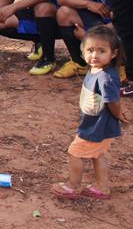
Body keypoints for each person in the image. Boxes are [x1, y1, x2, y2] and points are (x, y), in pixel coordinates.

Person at [51, 26, 128, 200]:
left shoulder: (106, 77)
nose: (95, 55)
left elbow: (113, 101)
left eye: (102, 51)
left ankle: (72, 186)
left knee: (75, 152)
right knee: (96, 154)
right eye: (90, 50)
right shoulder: (96, 70)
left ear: (113, 53)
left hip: (97, 127)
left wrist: (118, 115)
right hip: (97, 123)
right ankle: (102, 187)